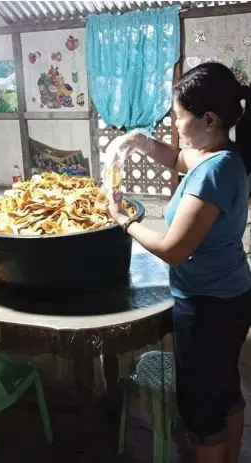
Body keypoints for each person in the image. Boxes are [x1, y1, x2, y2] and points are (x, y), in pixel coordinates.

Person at [106, 63, 251, 463]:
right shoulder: (222, 156)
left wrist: (124, 222)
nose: (174, 125)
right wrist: (139, 140)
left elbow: (173, 250)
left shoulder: (214, 171)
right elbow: (175, 159)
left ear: (207, 119)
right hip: (232, 294)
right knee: (225, 389)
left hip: (207, 306)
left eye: (178, 117)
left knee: (201, 409)